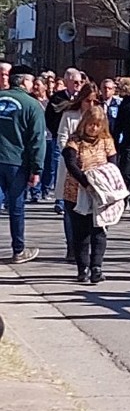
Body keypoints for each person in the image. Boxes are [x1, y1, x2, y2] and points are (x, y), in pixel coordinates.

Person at [62, 105, 117, 284]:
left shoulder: (106, 141)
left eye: (97, 125)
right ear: (84, 123)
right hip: (77, 192)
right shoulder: (74, 141)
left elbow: (113, 164)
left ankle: (96, 267)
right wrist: (86, 182)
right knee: (81, 233)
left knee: (99, 230)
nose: (93, 128)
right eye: (91, 124)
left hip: (99, 194)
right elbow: (70, 163)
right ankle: (82, 268)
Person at [0, 65, 46, 264]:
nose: (33, 84)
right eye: (31, 81)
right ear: (23, 81)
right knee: (16, 207)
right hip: (17, 162)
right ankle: (18, 249)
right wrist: (37, 168)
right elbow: (37, 139)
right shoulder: (32, 105)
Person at [55, 82, 99, 262]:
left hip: (92, 169)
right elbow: (62, 139)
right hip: (70, 168)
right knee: (70, 208)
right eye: (88, 101)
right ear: (82, 100)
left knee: (88, 210)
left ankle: (84, 246)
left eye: (95, 101)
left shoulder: (98, 117)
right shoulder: (70, 116)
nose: (91, 105)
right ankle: (71, 246)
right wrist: (73, 156)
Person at [45, 67, 82, 215]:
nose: (78, 85)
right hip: (60, 138)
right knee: (60, 169)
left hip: (78, 142)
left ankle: (74, 198)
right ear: (67, 82)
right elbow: (50, 117)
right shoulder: (57, 98)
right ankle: (60, 200)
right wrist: (56, 132)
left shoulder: (82, 99)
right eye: (75, 82)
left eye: (80, 82)